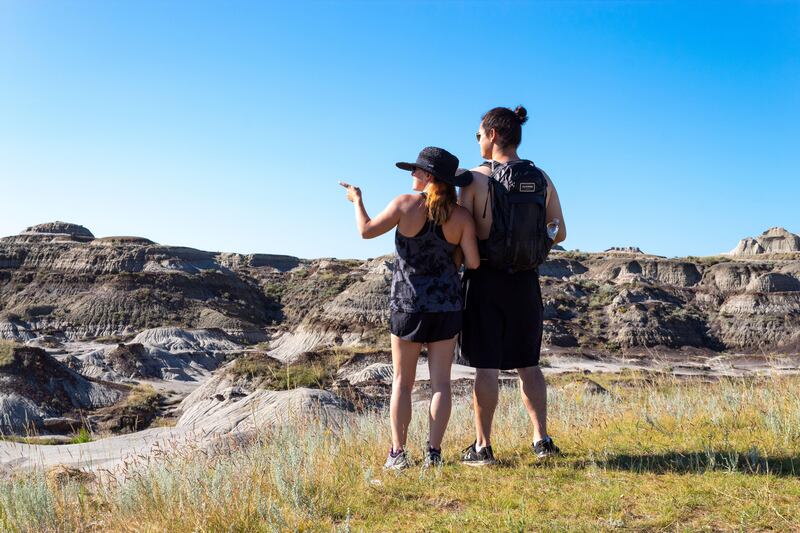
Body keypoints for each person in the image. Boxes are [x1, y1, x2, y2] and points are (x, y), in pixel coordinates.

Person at [340, 146, 480, 470]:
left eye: (416, 171)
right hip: (446, 307)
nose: (412, 176)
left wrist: (357, 200)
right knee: (440, 384)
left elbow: (366, 231)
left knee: (402, 382)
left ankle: (398, 455)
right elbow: (472, 261)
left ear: (429, 176)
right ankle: (434, 453)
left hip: (408, 306)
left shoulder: (404, 204)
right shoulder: (461, 217)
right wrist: (451, 258)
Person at [458, 106, 567, 465]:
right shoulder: (540, 177)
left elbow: (462, 235)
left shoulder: (474, 180)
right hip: (525, 281)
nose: (477, 141)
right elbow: (560, 231)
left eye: (478, 135)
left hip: (486, 278)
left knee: (485, 367)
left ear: (491, 135)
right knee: (528, 364)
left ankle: (483, 446)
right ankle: (542, 440)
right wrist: (532, 248)